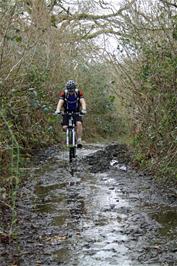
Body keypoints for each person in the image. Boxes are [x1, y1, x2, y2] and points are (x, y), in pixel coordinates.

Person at [55, 80, 87, 148]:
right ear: (67, 89)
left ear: (74, 89)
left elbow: (82, 101)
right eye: (69, 90)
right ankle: (70, 136)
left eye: (72, 90)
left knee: (79, 124)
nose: (71, 92)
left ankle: (79, 140)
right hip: (66, 112)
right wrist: (58, 110)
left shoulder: (78, 93)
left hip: (77, 112)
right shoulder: (64, 93)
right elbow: (60, 102)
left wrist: (84, 109)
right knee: (64, 127)